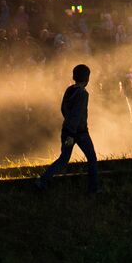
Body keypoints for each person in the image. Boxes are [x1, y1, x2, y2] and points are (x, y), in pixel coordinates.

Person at [37, 63, 100, 194]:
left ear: (74, 76)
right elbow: (77, 114)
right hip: (80, 133)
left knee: (63, 159)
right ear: (87, 78)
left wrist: (68, 127)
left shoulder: (69, 90)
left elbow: (63, 109)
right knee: (92, 158)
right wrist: (73, 132)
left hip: (67, 130)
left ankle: (43, 180)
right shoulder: (83, 94)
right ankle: (93, 189)